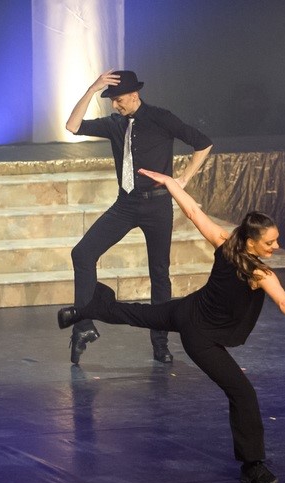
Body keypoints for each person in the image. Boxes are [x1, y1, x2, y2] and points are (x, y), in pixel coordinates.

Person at [57, 167, 285, 483]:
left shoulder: (225, 242)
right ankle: (253, 465)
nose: (275, 246)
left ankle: (88, 308)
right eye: (270, 242)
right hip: (201, 337)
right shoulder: (260, 274)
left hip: (187, 311)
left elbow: (190, 211)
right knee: (242, 393)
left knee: (141, 315)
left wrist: (172, 183)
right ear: (252, 242)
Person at [65, 70, 213, 365]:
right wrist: (93, 88)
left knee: (159, 273)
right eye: (112, 101)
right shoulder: (115, 124)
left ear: (134, 95)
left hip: (157, 207)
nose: (115, 106)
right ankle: (83, 325)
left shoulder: (160, 117)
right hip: (126, 204)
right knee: (82, 254)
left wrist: (181, 180)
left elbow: (203, 143)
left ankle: (160, 344)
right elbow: (72, 126)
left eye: (118, 100)